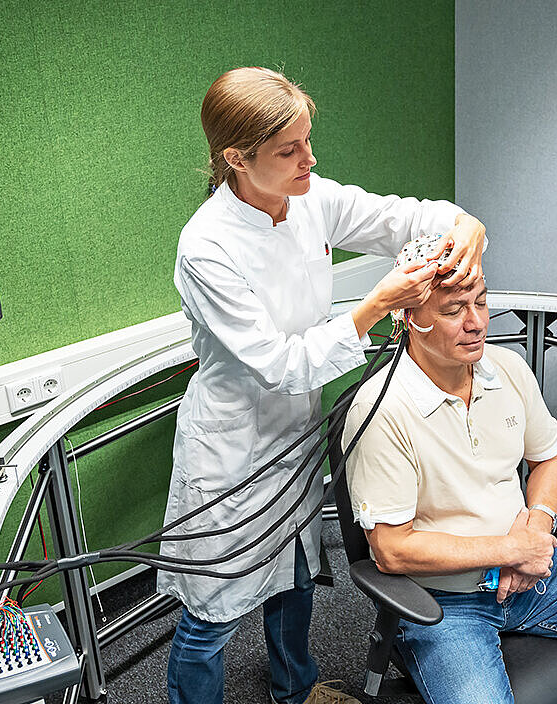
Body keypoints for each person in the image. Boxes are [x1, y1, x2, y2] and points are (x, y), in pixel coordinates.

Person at [158, 66, 487, 704]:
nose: (310, 159)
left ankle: (296, 689)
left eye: (309, 140)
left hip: (295, 430)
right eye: (290, 150)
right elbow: (282, 363)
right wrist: (373, 306)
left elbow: (403, 219)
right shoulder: (207, 247)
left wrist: (462, 222)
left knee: (297, 574)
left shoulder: (310, 198)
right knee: (212, 610)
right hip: (230, 447)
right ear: (237, 158)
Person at [341, 249, 557, 704]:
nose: (476, 322)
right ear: (407, 319)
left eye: (481, 302)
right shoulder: (382, 408)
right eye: (453, 310)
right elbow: (391, 551)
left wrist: (537, 526)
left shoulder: (508, 369)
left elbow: (551, 459)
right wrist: (511, 549)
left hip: (530, 575)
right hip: (445, 602)